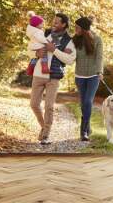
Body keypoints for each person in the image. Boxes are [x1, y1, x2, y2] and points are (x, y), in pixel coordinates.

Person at [28, 13, 76, 145]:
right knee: (33, 104)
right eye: (53, 22)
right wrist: (36, 53)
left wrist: (54, 50)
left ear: (63, 25)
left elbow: (70, 60)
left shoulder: (69, 41)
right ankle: (44, 127)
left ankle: (45, 135)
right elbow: (30, 49)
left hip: (53, 77)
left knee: (49, 106)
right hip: (38, 74)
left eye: (56, 23)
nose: (53, 24)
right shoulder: (44, 34)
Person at [73, 16, 104, 141]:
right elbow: (69, 55)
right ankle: (88, 127)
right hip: (79, 76)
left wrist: (99, 71)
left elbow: (99, 57)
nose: (75, 29)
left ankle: (83, 131)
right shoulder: (74, 40)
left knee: (87, 102)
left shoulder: (97, 39)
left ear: (84, 28)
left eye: (77, 27)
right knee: (83, 104)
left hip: (93, 76)